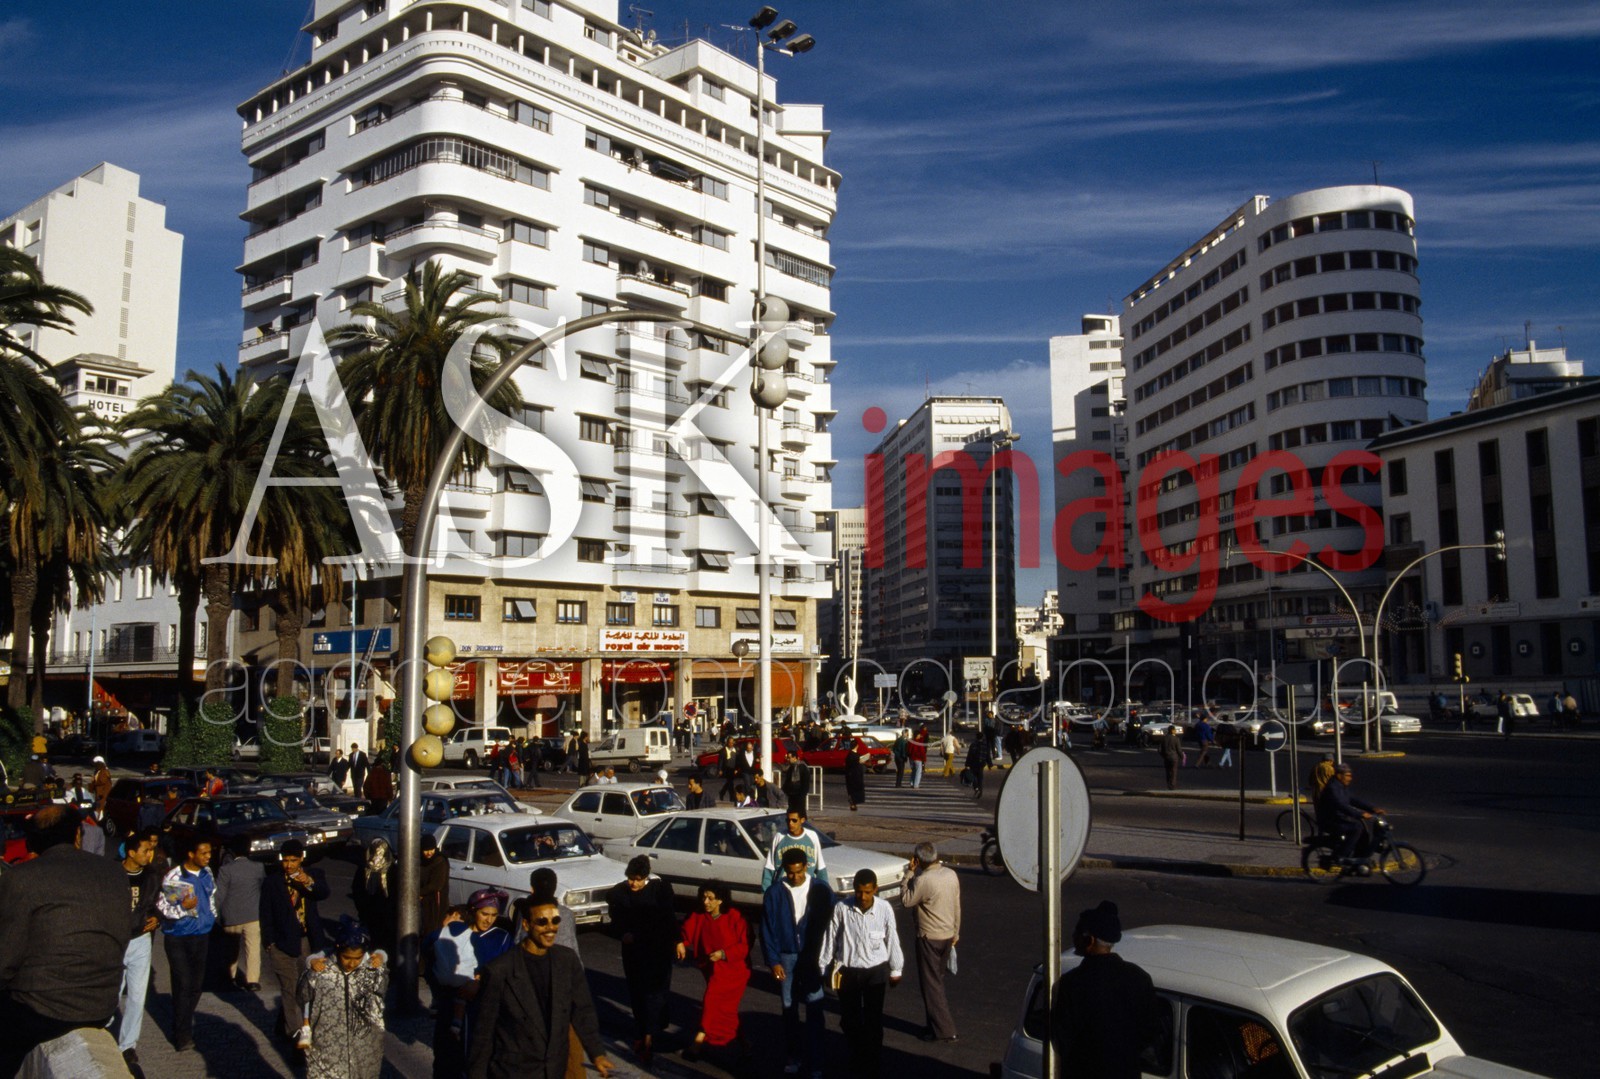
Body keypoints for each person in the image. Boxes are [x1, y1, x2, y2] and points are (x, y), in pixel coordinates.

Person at [0, 805, 131, 1075]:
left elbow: (5, 960)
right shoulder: (115, 873)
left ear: (32, 842)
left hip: (43, 1010)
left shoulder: (21, 877)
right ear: (77, 835)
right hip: (102, 1004)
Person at [468, 898, 614, 1079]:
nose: (550, 928)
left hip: (554, 1069)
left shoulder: (567, 960)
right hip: (513, 1071)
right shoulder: (499, 969)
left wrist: (597, 1053)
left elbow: (582, 1010)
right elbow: (483, 1032)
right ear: (526, 925)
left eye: (555, 921)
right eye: (542, 922)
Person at [1050, 900, 1161, 1079]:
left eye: (1077, 933)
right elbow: (1150, 1032)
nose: (1073, 936)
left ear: (1090, 940)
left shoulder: (1072, 983)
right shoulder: (1140, 978)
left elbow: (1063, 1039)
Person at [818, 868, 903, 1075]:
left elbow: (892, 938)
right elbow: (831, 937)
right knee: (850, 1020)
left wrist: (896, 968)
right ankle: (857, 1056)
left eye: (867, 892)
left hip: (875, 972)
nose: (862, 897)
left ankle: (872, 1062)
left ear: (875, 889)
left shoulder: (884, 909)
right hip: (848, 971)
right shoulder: (842, 908)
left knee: (873, 1020)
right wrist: (823, 966)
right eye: (858, 892)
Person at [761, 847, 834, 1079]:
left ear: (807, 867)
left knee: (815, 1007)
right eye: (790, 873)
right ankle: (794, 1056)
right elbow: (767, 929)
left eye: (799, 872)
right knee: (789, 1007)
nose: (795, 877)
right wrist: (773, 961)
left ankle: (817, 1063)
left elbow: (833, 925)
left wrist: (830, 959)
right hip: (786, 956)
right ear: (784, 869)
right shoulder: (774, 892)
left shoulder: (821, 889)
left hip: (813, 956)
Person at [606, 855, 679, 1067]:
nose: (634, 883)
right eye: (631, 878)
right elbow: (615, 921)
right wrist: (623, 934)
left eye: (638, 879)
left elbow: (669, 918)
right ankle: (643, 1033)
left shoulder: (660, 890)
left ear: (646, 877)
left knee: (655, 994)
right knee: (637, 993)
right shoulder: (620, 893)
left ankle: (648, 1037)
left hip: (658, 950)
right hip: (634, 953)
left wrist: (678, 940)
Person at [298, 918, 388, 1079]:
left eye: (357, 958)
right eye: (346, 957)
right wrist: (310, 966)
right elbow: (302, 995)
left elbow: (382, 989)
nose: (351, 963)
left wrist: (381, 958)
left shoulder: (373, 971)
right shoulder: (321, 972)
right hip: (327, 1045)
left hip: (365, 1046)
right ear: (338, 950)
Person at [261, 838, 330, 1048]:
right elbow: (265, 913)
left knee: (306, 988)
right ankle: (296, 1034)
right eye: (285, 860)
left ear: (301, 859)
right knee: (289, 989)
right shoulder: (272, 882)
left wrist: (307, 882)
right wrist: (269, 943)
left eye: (293, 860)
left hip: (306, 941)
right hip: (282, 943)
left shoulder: (313, 875)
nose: (289, 865)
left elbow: (323, 893)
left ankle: (289, 1025)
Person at [676, 880, 751, 1061]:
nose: (706, 902)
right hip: (711, 968)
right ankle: (744, 1043)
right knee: (725, 1009)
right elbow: (685, 931)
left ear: (720, 900)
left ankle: (697, 1043)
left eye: (710, 898)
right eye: (704, 897)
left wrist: (724, 953)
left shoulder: (734, 917)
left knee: (711, 1001)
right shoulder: (699, 915)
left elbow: (744, 945)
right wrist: (680, 942)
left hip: (734, 970)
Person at [157, 832, 218, 1051]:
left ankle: (183, 1019)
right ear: (191, 854)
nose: (208, 856)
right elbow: (164, 908)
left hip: (201, 935)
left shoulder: (207, 873)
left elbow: (211, 897)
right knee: (183, 984)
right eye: (203, 853)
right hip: (178, 937)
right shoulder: (175, 877)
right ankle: (182, 1034)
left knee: (196, 986)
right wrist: (183, 908)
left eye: (209, 852)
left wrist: (211, 917)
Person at [116, 828, 164, 1076]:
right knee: (113, 992)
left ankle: (128, 1045)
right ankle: (105, 1030)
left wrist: (157, 917)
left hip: (141, 940)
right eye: (145, 850)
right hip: (117, 940)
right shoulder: (113, 874)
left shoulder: (152, 876)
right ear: (131, 853)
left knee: (137, 995)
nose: (149, 854)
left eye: (151, 850)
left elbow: (161, 902)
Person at [903, 841, 960, 1043]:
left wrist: (909, 874)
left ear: (918, 860)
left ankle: (945, 1030)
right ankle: (933, 1027)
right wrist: (956, 932)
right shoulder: (951, 875)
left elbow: (906, 900)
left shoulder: (923, 880)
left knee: (931, 986)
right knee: (937, 982)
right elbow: (957, 905)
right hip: (947, 935)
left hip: (929, 938)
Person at [217, 836, 266, 992]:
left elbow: (220, 895)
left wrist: (216, 915)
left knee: (231, 949)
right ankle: (253, 981)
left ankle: (230, 977)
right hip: (253, 914)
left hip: (231, 916)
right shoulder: (258, 867)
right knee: (253, 949)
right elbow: (262, 887)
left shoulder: (226, 870)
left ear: (232, 851)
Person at [1315, 762, 1385, 868]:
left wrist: (1372, 808)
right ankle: (1341, 857)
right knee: (1356, 828)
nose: (1350, 778)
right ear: (1339, 775)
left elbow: (1353, 800)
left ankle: (1359, 858)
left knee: (1363, 830)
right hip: (1330, 821)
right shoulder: (1332, 788)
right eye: (1347, 776)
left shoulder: (1341, 787)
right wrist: (1360, 814)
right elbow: (1341, 805)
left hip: (1339, 818)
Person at [763, 803, 829, 890]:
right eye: (788, 820)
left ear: (802, 820)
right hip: (783, 889)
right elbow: (769, 867)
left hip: (807, 890)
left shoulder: (812, 836)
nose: (790, 823)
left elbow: (820, 867)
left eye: (794, 820)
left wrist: (825, 891)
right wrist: (766, 892)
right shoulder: (779, 836)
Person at [352, 837, 396, 953]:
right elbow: (357, 889)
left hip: (386, 913)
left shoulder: (392, 869)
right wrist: (361, 906)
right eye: (375, 853)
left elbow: (395, 891)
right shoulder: (364, 869)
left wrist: (391, 909)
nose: (377, 857)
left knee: (386, 943)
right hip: (368, 911)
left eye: (381, 853)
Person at [419, 834, 450, 939]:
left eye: (431, 849)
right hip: (425, 900)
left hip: (436, 901)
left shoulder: (439, 861)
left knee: (434, 927)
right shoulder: (421, 861)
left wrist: (419, 892)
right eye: (426, 850)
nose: (429, 853)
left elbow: (436, 885)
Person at [843, 728, 868, 811]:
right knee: (853, 791)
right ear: (856, 746)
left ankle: (854, 803)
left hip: (856, 775)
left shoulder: (853, 754)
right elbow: (854, 763)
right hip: (853, 776)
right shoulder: (852, 755)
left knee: (855, 791)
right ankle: (853, 803)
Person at [1158, 724, 1182, 791]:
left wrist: (1163, 755)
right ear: (1172, 730)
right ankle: (1172, 785)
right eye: (1175, 730)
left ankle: (1168, 784)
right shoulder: (1176, 739)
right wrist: (1182, 756)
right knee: (1174, 771)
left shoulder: (1163, 738)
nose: (1175, 731)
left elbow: (1159, 750)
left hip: (1166, 757)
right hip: (1174, 757)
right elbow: (1179, 750)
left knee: (1168, 771)